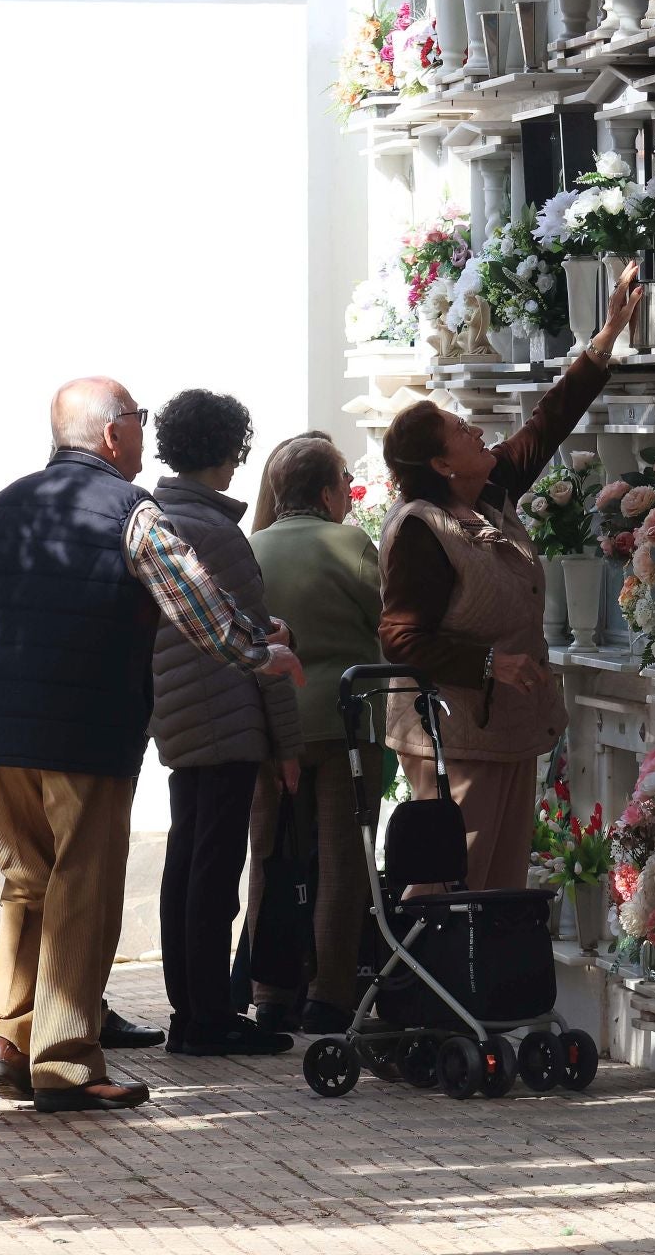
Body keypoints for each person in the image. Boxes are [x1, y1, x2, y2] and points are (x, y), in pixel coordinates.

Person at [0, 376, 303, 1113]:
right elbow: (192, 599)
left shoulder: (8, 505)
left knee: (25, 883)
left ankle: (8, 1038)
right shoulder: (130, 511)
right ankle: (66, 1060)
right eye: (136, 418)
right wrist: (261, 651)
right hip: (89, 730)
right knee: (83, 887)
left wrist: (13, 680)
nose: (142, 429)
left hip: (4, 730)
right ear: (111, 436)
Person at [378, 262, 641, 892]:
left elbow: (545, 425)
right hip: (454, 739)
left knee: (497, 892)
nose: (476, 430)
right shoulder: (422, 528)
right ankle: (436, 992)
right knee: (450, 890)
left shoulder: (487, 492)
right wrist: (490, 663)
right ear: (441, 464)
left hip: (505, 733)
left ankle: (477, 994)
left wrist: (605, 337)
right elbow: (400, 639)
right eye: (461, 432)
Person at [148, 389, 302, 1056]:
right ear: (229, 454)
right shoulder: (217, 532)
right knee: (214, 877)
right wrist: (288, 745)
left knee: (187, 864)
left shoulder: (155, 518)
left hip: (177, 718)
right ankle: (206, 1017)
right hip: (226, 718)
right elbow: (257, 648)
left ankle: (191, 1008)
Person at [244, 434, 382, 1035]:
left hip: (272, 725)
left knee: (270, 855)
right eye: (345, 485)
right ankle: (328, 993)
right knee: (342, 861)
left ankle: (269, 990)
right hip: (345, 723)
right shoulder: (349, 542)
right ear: (327, 493)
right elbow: (383, 615)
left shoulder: (253, 547)